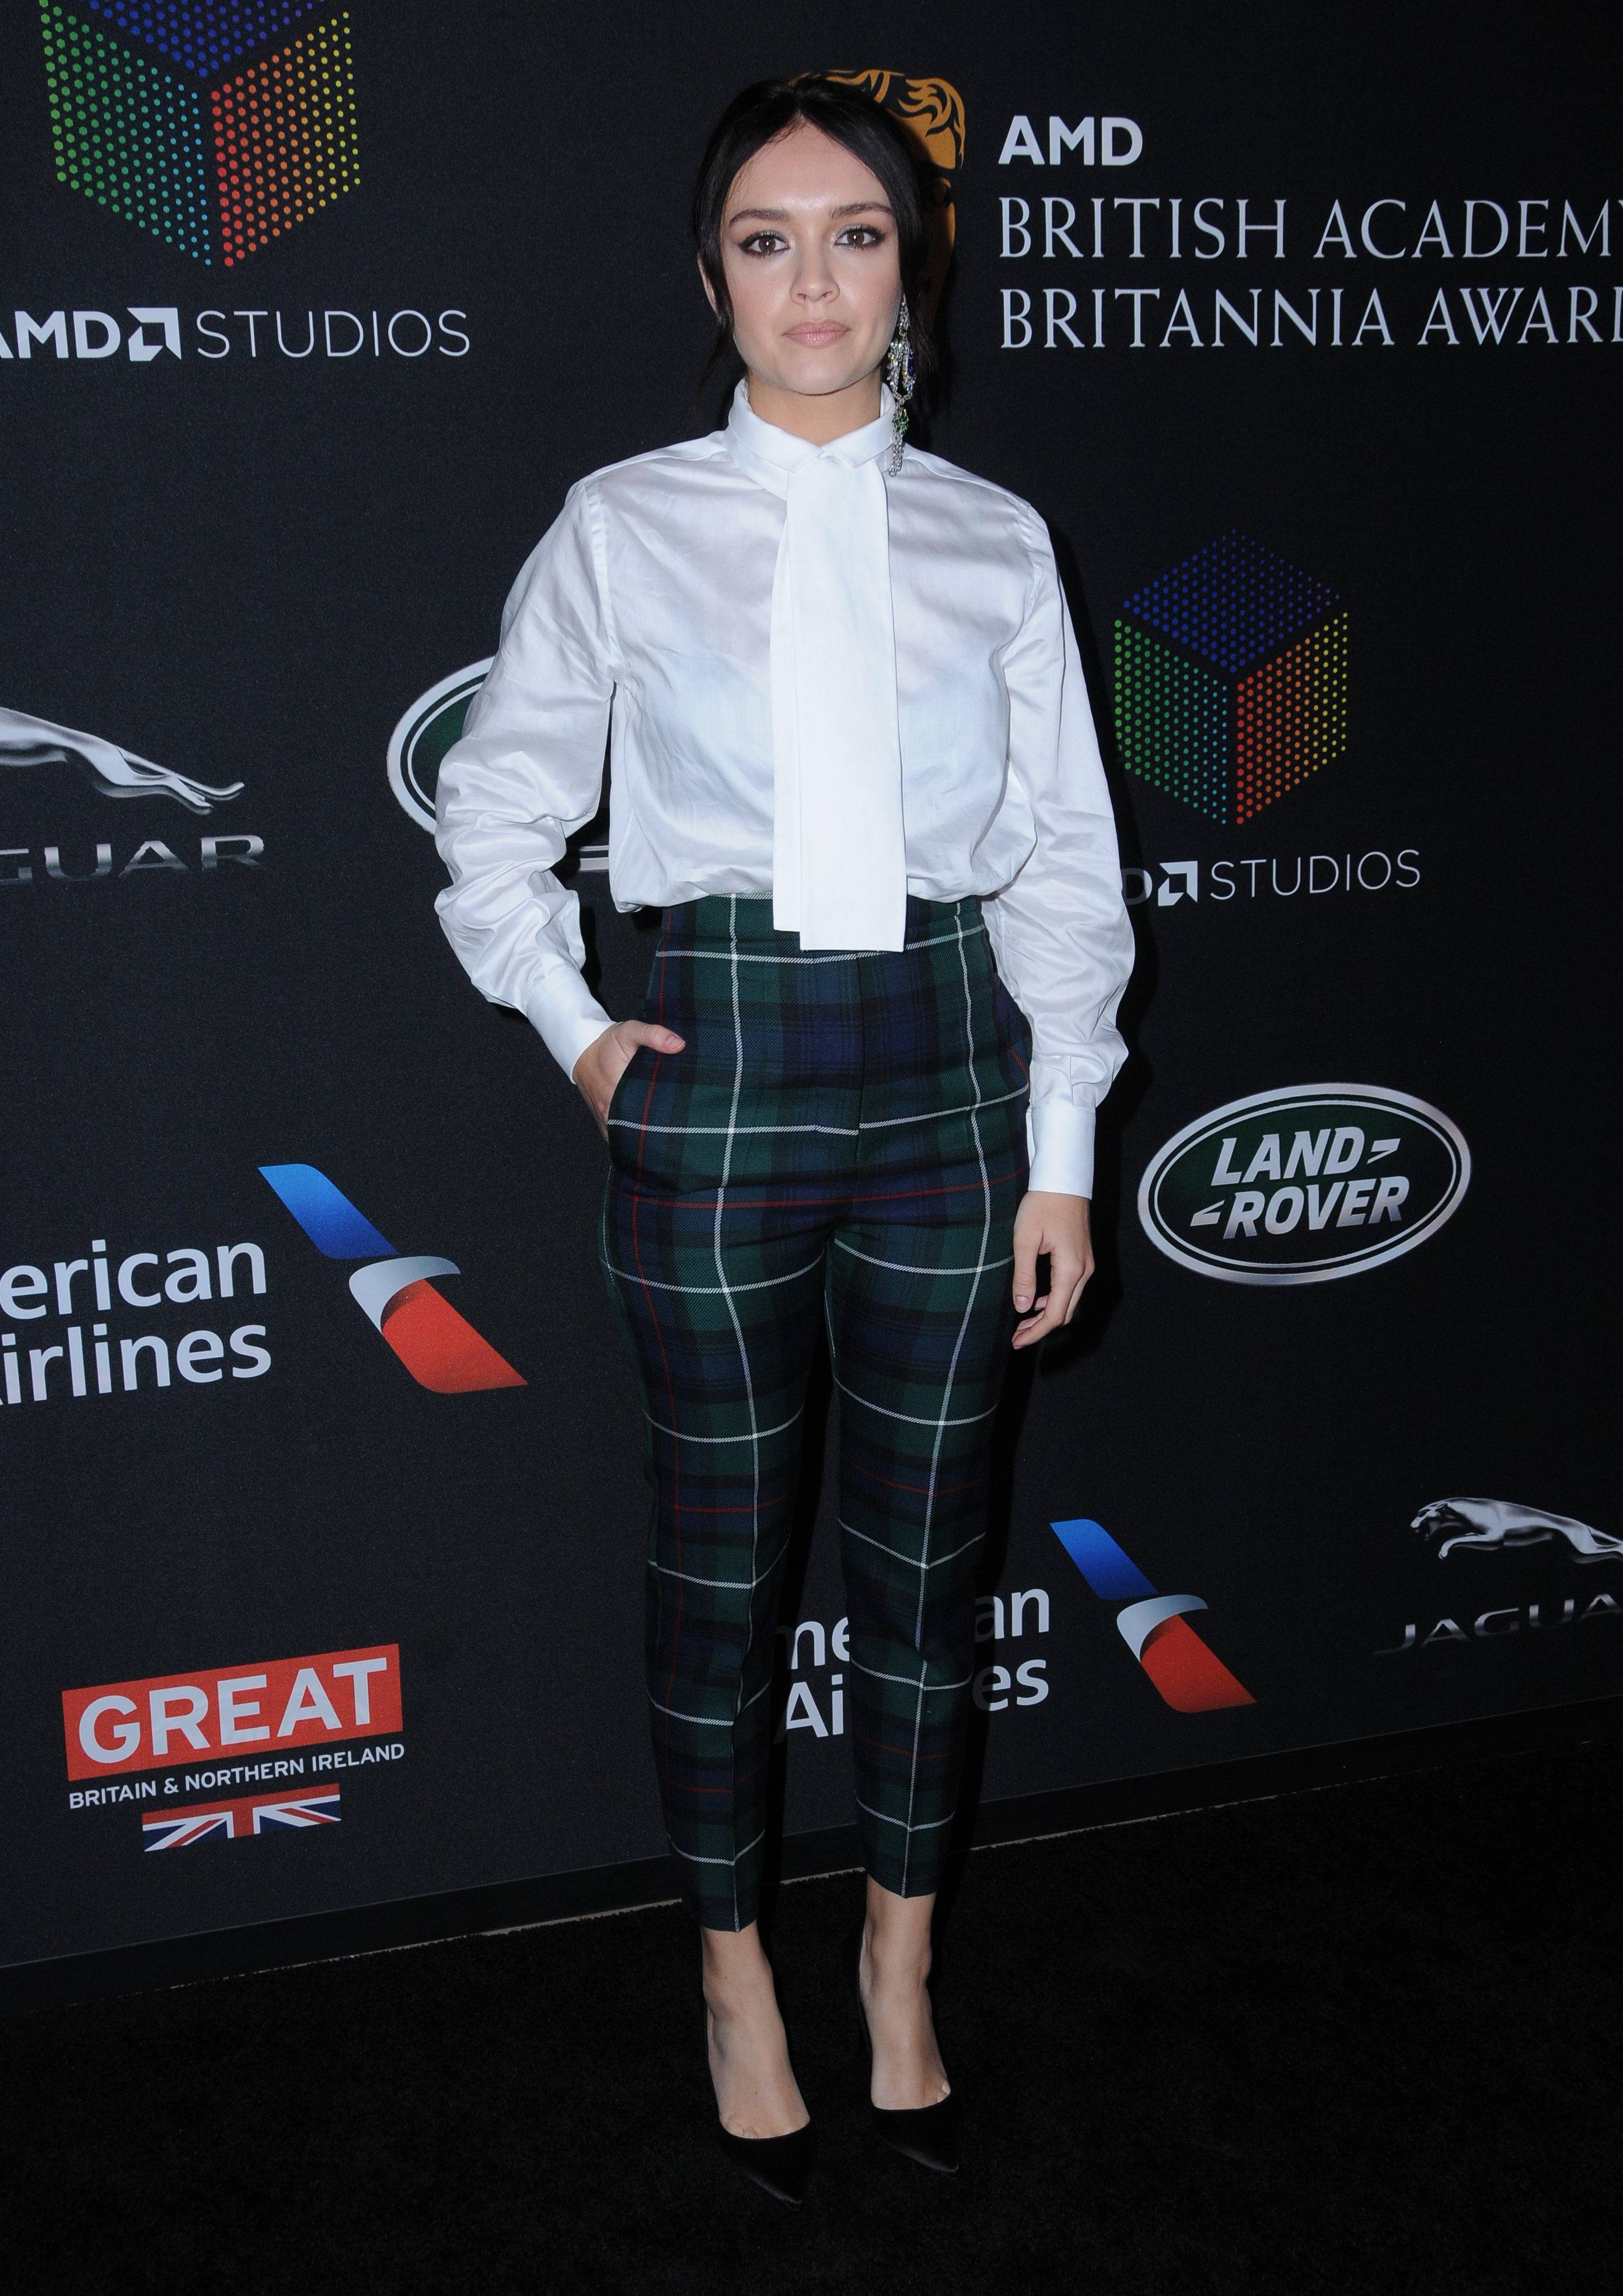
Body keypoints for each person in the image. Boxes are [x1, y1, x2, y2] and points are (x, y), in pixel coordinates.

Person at [433, 74, 1133, 2204]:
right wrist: (579, 1036)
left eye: (855, 234)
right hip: (715, 1081)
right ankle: (736, 1974)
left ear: (912, 269)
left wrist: (1062, 1145)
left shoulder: (996, 538)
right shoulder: (622, 523)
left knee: (930, 1572)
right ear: (711, 274)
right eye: (766, 238)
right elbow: (493, 818)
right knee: (725, 1574)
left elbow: (1065, 862)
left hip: (952, 1085)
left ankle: (899, 1972)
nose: (812, 280)